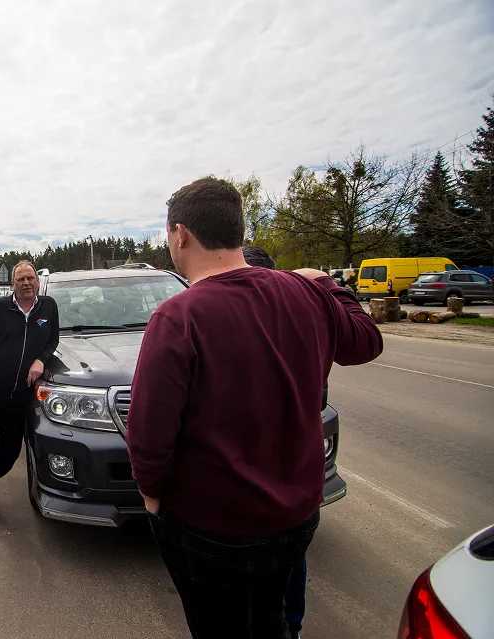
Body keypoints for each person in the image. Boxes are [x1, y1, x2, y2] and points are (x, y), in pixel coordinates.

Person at [126, 177, 383, 639]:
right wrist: (325, 283)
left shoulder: (179, 316)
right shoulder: (305, 294)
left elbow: (150, 431)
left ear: (180, 234)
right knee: (273, 622)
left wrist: (151, 494)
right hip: (297, 516)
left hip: (215, 528)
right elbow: (366, 341)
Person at [0, 260, 59, 533]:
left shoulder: (48, 307)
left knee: (8, 453)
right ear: (12, 285)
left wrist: (41, 359)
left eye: (30, 278)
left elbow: (53, 339)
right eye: (21, 280)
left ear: (37, 282)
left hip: (18, 396)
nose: (26, 283)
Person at [242, 245, 307, 639]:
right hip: (289, 477)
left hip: (263, 476)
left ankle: (285, 626)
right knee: (287, 557)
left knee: (276, 561)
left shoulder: (277, 327)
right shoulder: (299, 321)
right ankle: (288, 626)